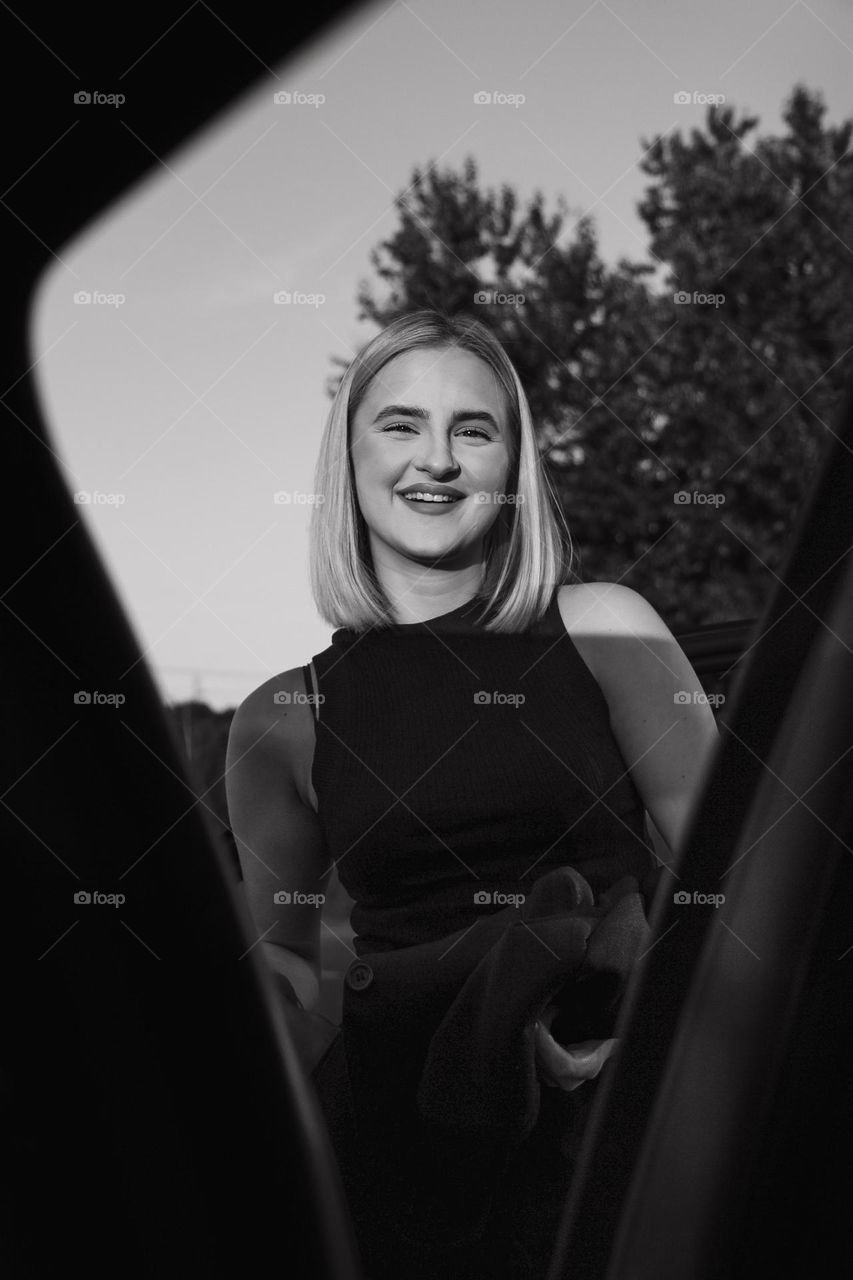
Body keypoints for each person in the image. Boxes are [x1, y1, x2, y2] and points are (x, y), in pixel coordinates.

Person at [225, 309, 720, 1278]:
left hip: (606, 1107)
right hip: (399, 1122)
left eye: (474, 429)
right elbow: (285, 956)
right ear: (352, 455)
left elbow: (731, 874)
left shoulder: (602, 628)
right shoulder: (285, 714)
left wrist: (653, 1038)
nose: (438, 459)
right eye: (401, 424)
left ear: (512, 465)